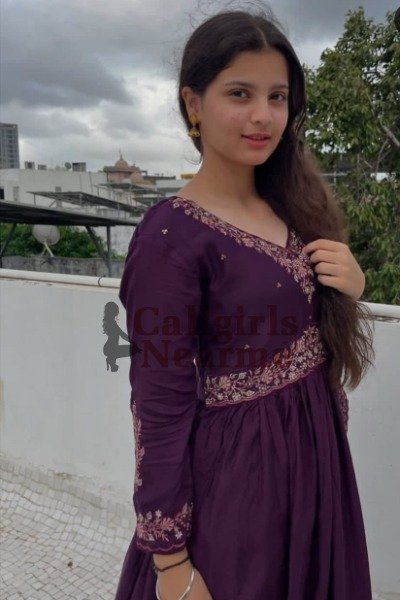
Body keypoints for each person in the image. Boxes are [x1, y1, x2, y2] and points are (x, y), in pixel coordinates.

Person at [114, 7, 375, 600]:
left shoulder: (293, 207)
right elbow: (158, 403)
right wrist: (171, 563)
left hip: (315, 467)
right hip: (237, 490)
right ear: (193, 104)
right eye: (240, 93)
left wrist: (351, 286)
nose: (263, 115)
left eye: (277, 97)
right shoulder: (168, 238)